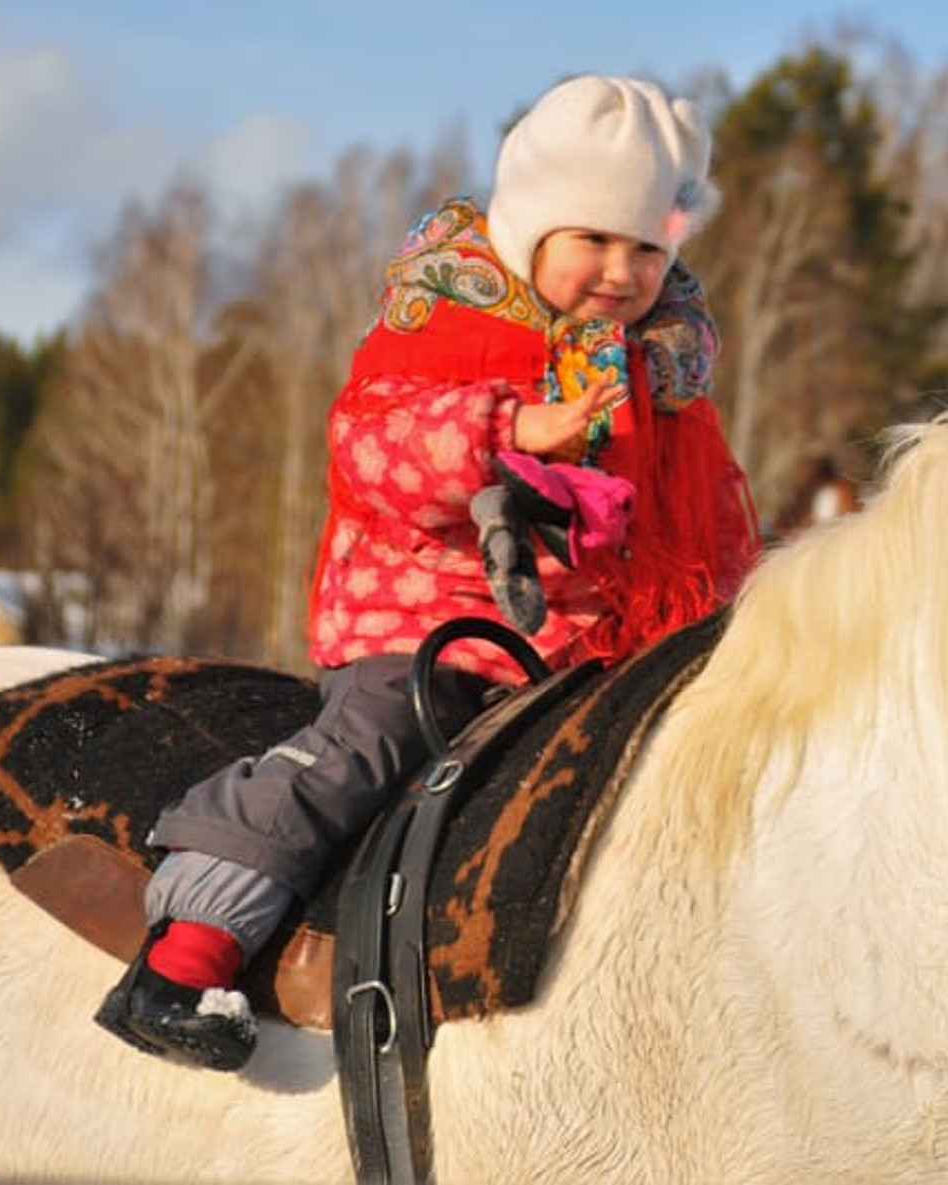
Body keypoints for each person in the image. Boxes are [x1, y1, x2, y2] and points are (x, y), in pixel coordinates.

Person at [95, 74, 759, 1070]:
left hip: (591, 652)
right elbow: (371, 451)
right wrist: (505, 428)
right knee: (356, 755)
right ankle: (190, 948)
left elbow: (704, 519)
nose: (621, 271)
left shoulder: (655, 371)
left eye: (648, 247)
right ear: (531, 227)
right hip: (430, 627)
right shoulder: (449, 322)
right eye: (592, 238)